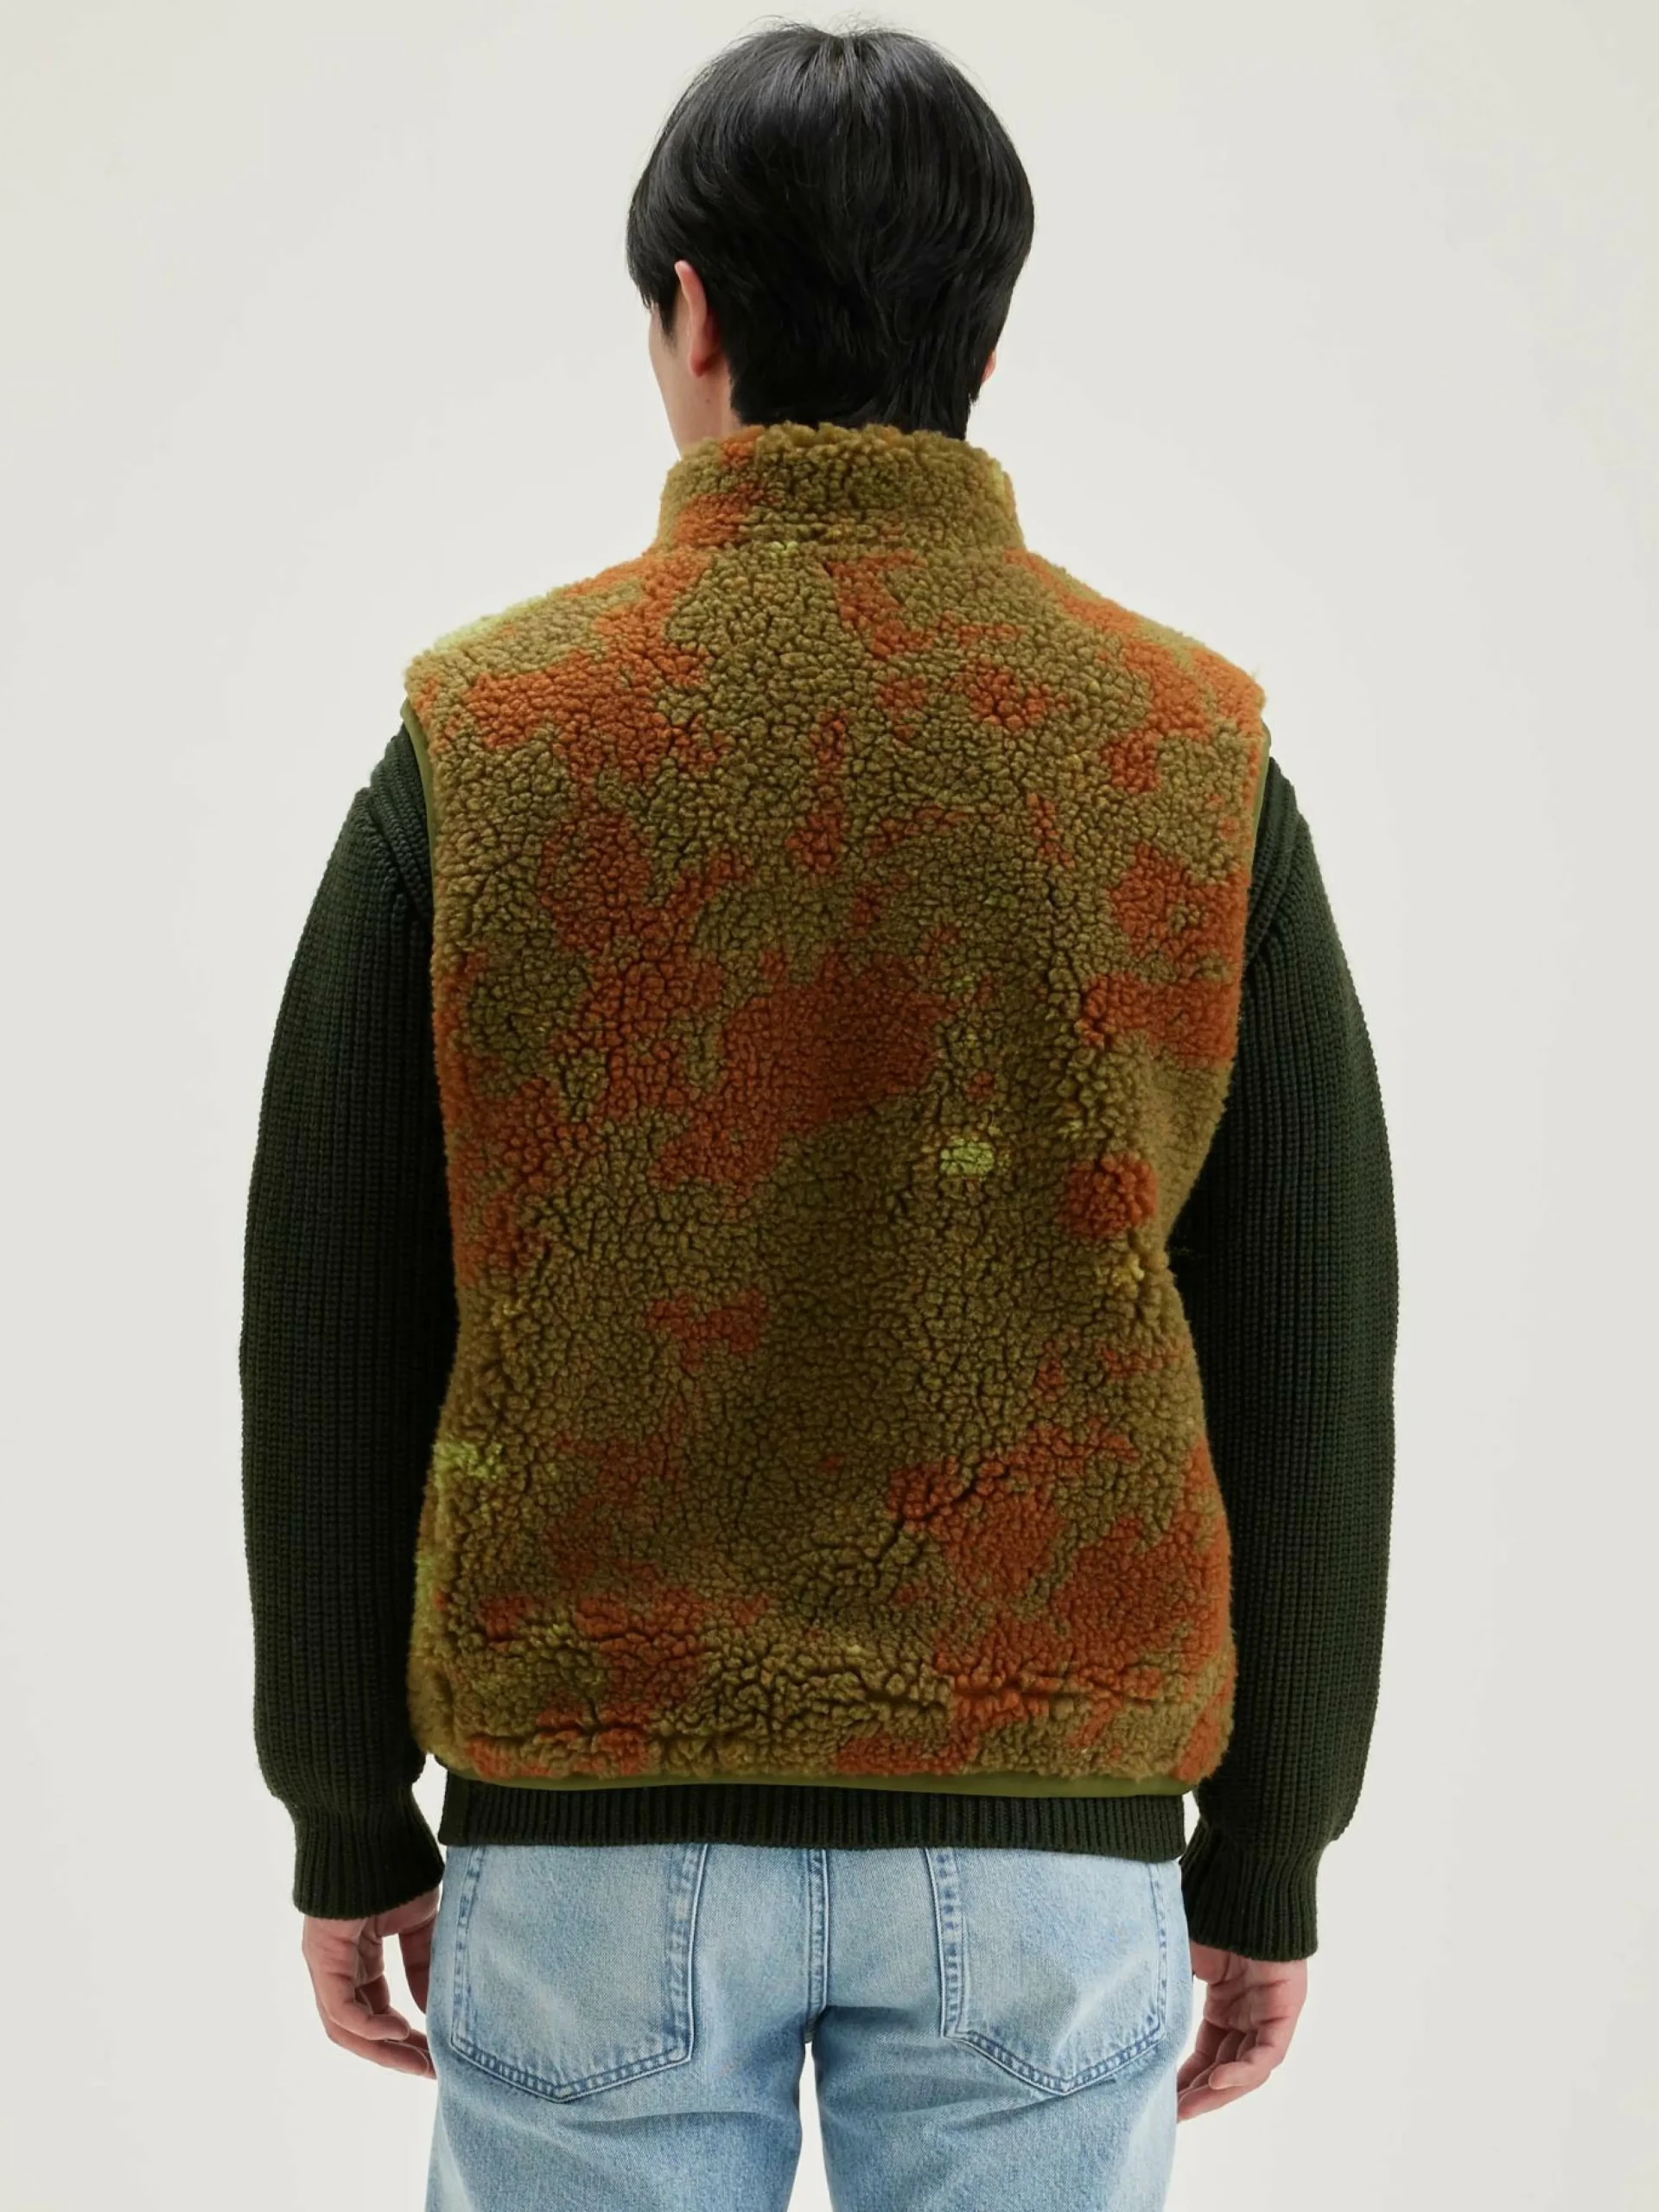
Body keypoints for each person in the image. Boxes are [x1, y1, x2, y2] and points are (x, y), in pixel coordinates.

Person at [239, 21, 1397, 2209]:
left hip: (588, 1832)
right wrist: (1273, 1843)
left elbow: (332, 1313)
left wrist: (344, 1804)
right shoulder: (1187, 753)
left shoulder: (486, 743)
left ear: (690, 313)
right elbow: (1308, 1348)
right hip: (1048, 1848)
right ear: (990, 331)